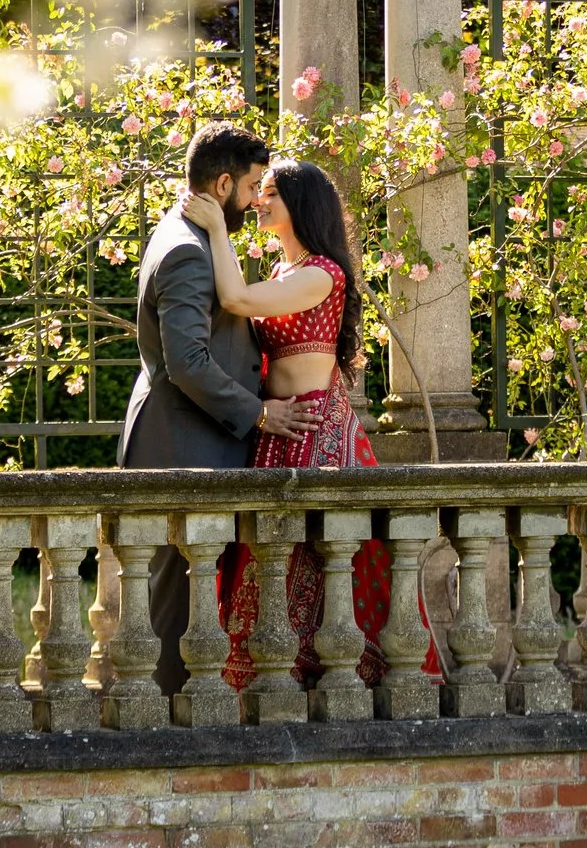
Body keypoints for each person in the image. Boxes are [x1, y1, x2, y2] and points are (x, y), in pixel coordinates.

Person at [182, 159, 436, 689]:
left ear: (301, 205)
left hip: (317, 434)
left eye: (270, 193)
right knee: (268, 568)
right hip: (276, 434)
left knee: (328, 565)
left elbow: (236, 298)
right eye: (260, 192)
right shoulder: (283, 274)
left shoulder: (324, 273)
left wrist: (213, 228)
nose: (258, 202)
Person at [119, 123, 322, 696]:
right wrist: (261, 414)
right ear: (224, 183)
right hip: (184, 446)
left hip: (193, 442)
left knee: (190, 596)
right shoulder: (186, 250)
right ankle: (165, 728)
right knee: (177, 603)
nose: (258, 198)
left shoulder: (192, 236)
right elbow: (186, 361)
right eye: (254, 185)